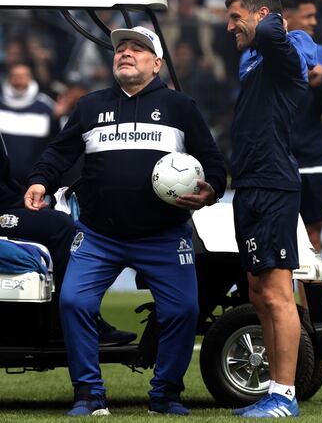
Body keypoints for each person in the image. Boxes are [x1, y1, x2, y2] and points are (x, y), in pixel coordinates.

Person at [24, 26, 227, 416]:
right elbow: (58, 154)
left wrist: (212, 190)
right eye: (121, 48)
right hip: (99, 235)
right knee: (73, 302)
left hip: (164, 235)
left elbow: (214, 165)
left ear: (157, 63)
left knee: (184, 311)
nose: (126, 53)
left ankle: (165, 394)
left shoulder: (181, 107)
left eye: (137, 48)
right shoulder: (89, 106)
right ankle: (88, 395)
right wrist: (39, 180)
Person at [226, 0, 317, 418]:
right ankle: (273, 390)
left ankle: (284, 395)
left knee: (279, 293)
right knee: (258, 292)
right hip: (249, 186)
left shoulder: (283, 57)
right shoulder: (257, 63)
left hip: (275, 186)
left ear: (262, 15)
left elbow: (272, 35)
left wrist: (268, 21)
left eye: (235, 17)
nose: (230, 27)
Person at [0, 131, 136, 346]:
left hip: (9, 204)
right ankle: (67, 324)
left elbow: (5, 184)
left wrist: (28, 200)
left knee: (66, 215)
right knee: (60, 226)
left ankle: (76, 318)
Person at [281, 0, 322, 253]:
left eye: (315, 16)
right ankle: (281, 295)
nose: (314, 22)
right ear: (287, 18)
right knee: (276, 236)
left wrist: (319, 85)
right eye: (308, 16)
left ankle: (312, 296)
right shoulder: (264, 53)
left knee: (312, 237)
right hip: (278, 160)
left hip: (312, 160)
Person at [0, 62, 60, 185]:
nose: (19, 80)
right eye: (15, 76)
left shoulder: (46, 106)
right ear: (9, 78)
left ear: (30, 78)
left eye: (23, 76)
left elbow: (57, 140)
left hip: (35, 182)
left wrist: (57, 119)